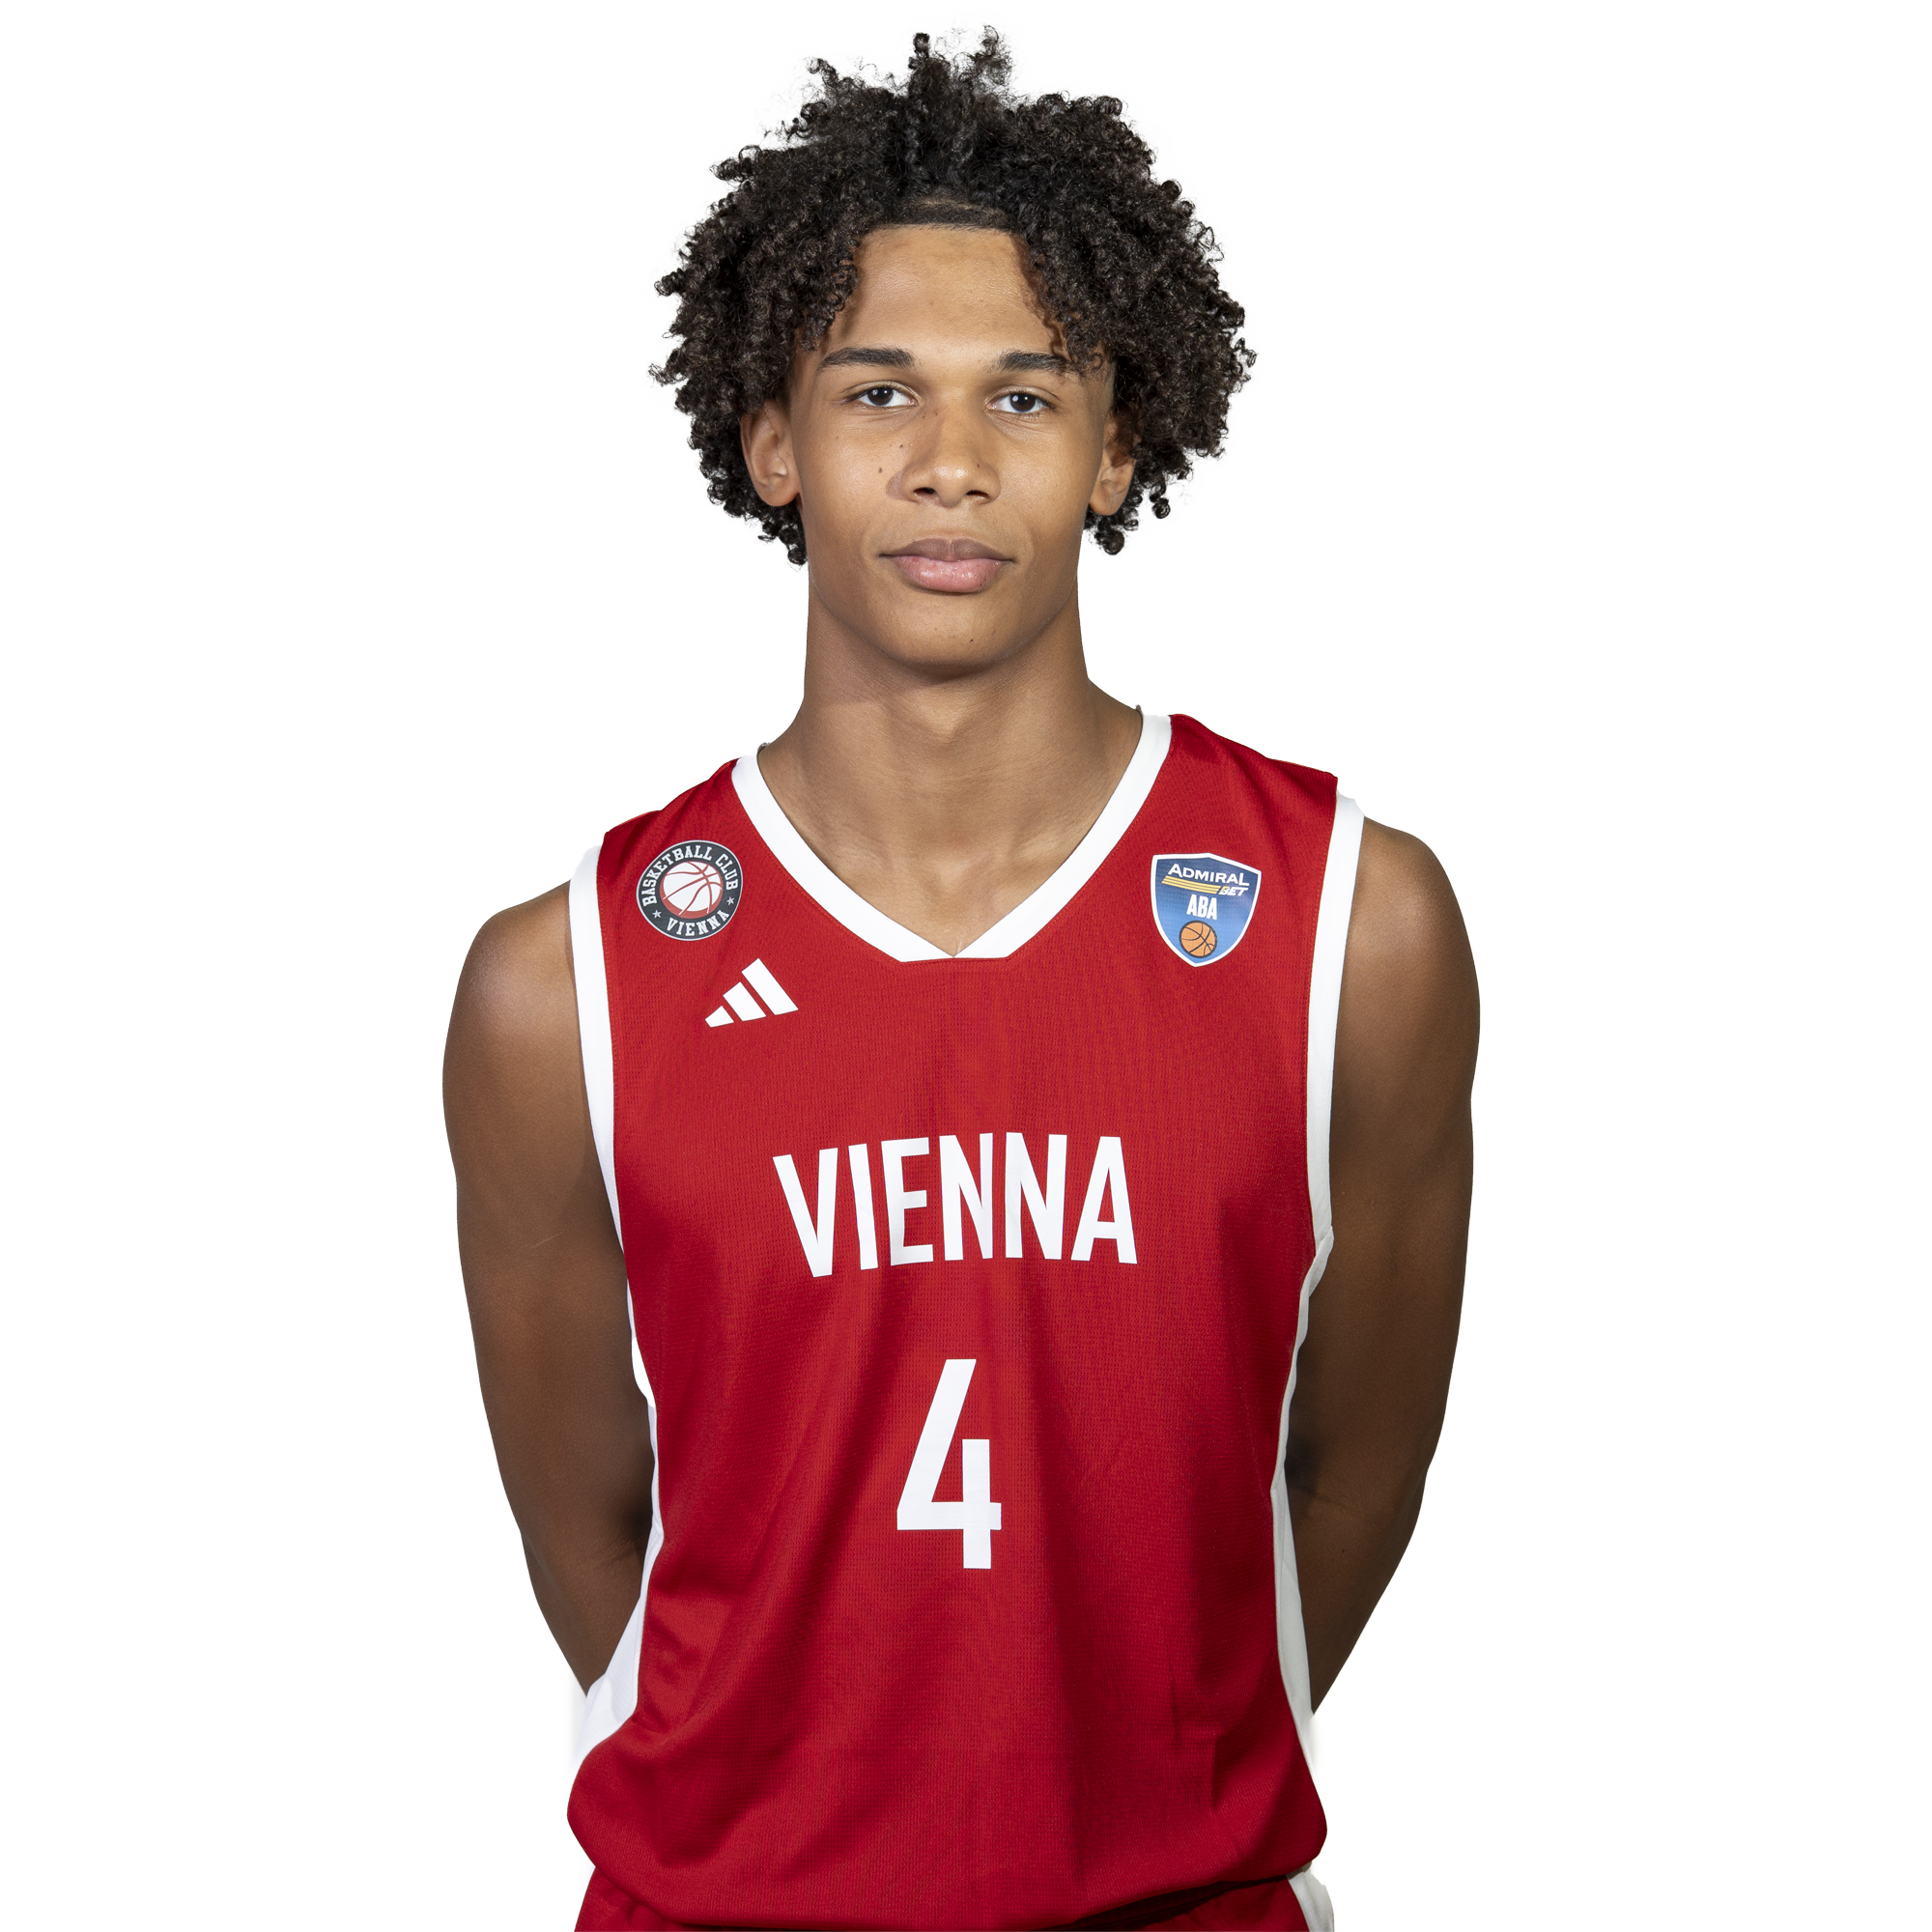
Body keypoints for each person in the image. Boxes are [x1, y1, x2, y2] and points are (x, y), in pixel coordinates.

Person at [444, 26, 1476, 1932]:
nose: (946, 461)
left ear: (1117, 444)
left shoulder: (1348, 922)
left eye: (1023, 392)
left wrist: (1132, 1779)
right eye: (876, 392)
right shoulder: (561, 983)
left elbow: (1352, 1477)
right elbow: (589, 1531)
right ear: (771, 440)